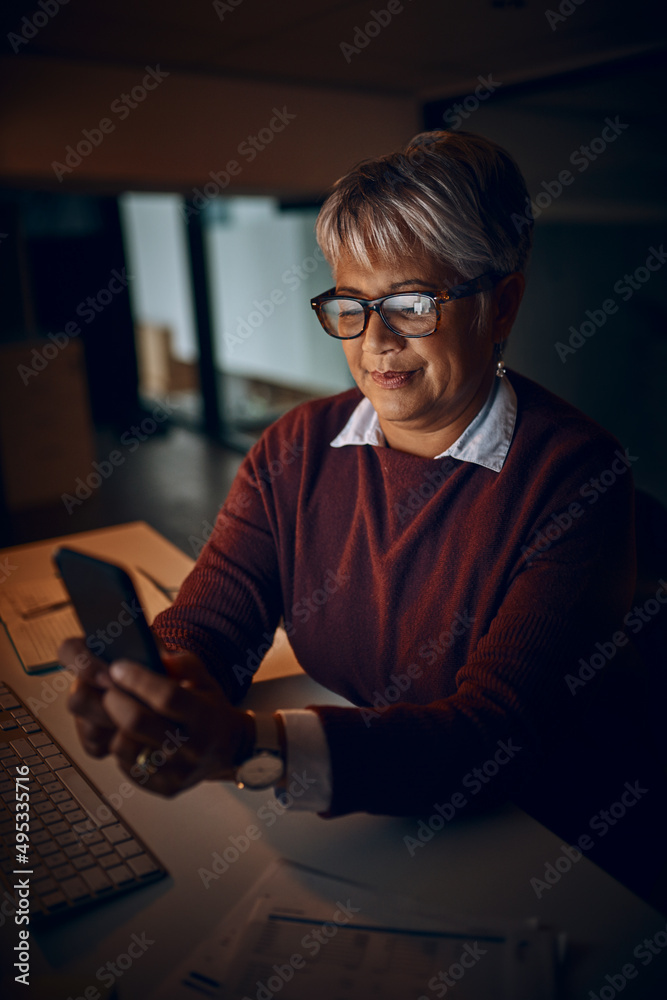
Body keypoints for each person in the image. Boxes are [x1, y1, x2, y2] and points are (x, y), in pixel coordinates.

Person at [60, 130, 667, 908]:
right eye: (350, 304)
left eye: (412, 304)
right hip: (382, 820)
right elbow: (214, 621)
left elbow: (492, 736)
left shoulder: (573, 476)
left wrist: (252, 745)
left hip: (545, 848)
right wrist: (165, 686)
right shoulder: (295, 447)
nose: (375, 342)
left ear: (501, 303)